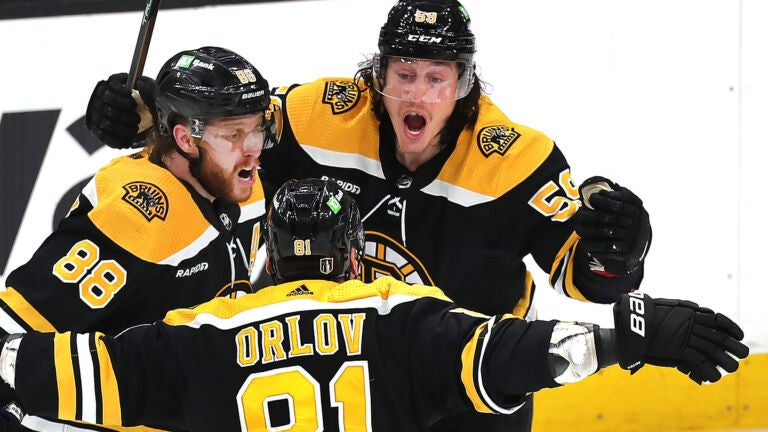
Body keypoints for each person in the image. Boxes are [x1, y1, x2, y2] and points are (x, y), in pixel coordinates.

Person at [85, 1, 653, 430]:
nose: (418, 96)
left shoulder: (515, 159)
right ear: (377, 76)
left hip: (468, 388)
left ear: (464, 84)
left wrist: (621, 251)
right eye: (404, 75)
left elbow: (588, 278)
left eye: (436, 79)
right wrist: (151, 118)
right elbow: (227, 130)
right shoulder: (320, 116)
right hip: (351, 386)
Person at [0, 178, 747, 432]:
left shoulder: (195, 335)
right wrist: (635, 334)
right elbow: (527, 354)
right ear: (354, 252)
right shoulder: (401, 314)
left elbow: (54, 370)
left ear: (268, 254)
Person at [0, 46, 276, 431]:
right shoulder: (139, 216)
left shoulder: (242, 180)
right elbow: (11, 331)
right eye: (233, 134)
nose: (253, 150)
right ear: (184, 138)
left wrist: (153, 105)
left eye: (258, 129)